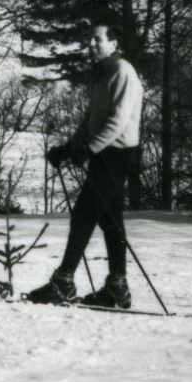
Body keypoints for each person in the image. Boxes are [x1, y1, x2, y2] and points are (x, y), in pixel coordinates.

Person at [27, 22, 144, 309]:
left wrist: (88, 149)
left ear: (114, 43)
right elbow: (90, 121)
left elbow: (116, 122)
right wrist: (69, 149)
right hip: (105, 155)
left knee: (84, 214)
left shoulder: (122, 72)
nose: (91, 45)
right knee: (109, 220)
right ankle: (117, 287)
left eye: (97, 40)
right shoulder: (103, 74)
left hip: (117, 156)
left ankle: (63, 282)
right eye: (89, 40)